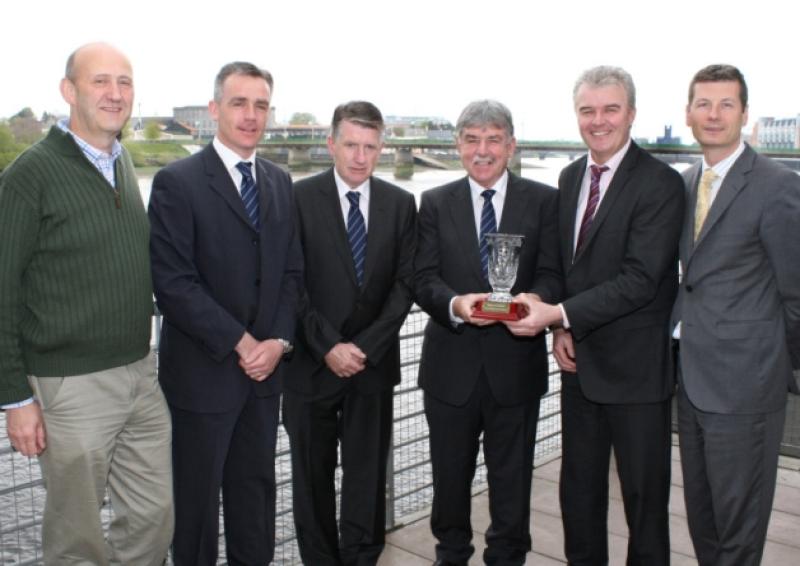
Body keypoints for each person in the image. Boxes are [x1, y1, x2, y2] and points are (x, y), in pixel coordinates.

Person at [0, 42, 173, 565]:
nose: (115, 93)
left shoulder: (120, 164)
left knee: (153, 516)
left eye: (124, 82)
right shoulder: (30, 175)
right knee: (77, 537)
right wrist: (15, 399)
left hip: (140, 374)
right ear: (68, 90)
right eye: (100, 81)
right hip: (70, 387)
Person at [507, 66, 684, 565]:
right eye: (588, 110)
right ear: (577, 115)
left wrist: (558, 313)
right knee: (578, 498)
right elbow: (567, 265)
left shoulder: (660, 183)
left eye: (610, 109)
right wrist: (563, 326)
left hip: (637, 375)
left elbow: (641, 279)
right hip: (580, 367)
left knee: (644, 506)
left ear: (631, 113)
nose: (598, 120)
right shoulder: (570, 176)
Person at [148, 61, 303, 565]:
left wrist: (278, 343)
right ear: (214, 109)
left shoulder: (280, 182)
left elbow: (292, 276)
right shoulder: (177, 182)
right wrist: (243, 343)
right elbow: (173, 284)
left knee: (255, 501)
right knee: (194, 511)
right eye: (239, 103)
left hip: (264, 379)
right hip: (202, 377)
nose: (250, 115)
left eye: (261, 105)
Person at [413, 99, 561, 565]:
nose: (483, 150)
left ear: (511, 145)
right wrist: (456, 304)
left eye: (493, 139)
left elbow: (556, 273)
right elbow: (422, 277)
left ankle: (507, 557)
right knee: (449, 483)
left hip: (515, 370)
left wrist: (537, 300)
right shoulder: (434, 202)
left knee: (513, 483)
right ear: (458, 146)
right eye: (472, 140)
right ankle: (450, 556)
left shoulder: (544, 200)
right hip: (450, 369)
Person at [672, 64, 800, 566]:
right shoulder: (684, 184)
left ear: (745, 115)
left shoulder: (777, 186)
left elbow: (796, 294)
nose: (714, 115)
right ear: (687, 114)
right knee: (703, 521)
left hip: (746, 387)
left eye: (727, 104)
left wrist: (775, 365)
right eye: (703, 103)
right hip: (692, 382)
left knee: (739, 533)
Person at [284, 100, 416, 565]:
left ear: (382, 148)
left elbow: (405, 285)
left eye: (370, 147)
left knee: (366, 480)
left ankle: (362, 560)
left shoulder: (401, 204)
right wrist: (328, 347)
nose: (360, 157)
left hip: (372, 367)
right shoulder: (297, 199)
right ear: (331, 144)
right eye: (351, 145)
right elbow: (290, 281)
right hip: (310, 367)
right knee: (311, 480)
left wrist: (363, 347)